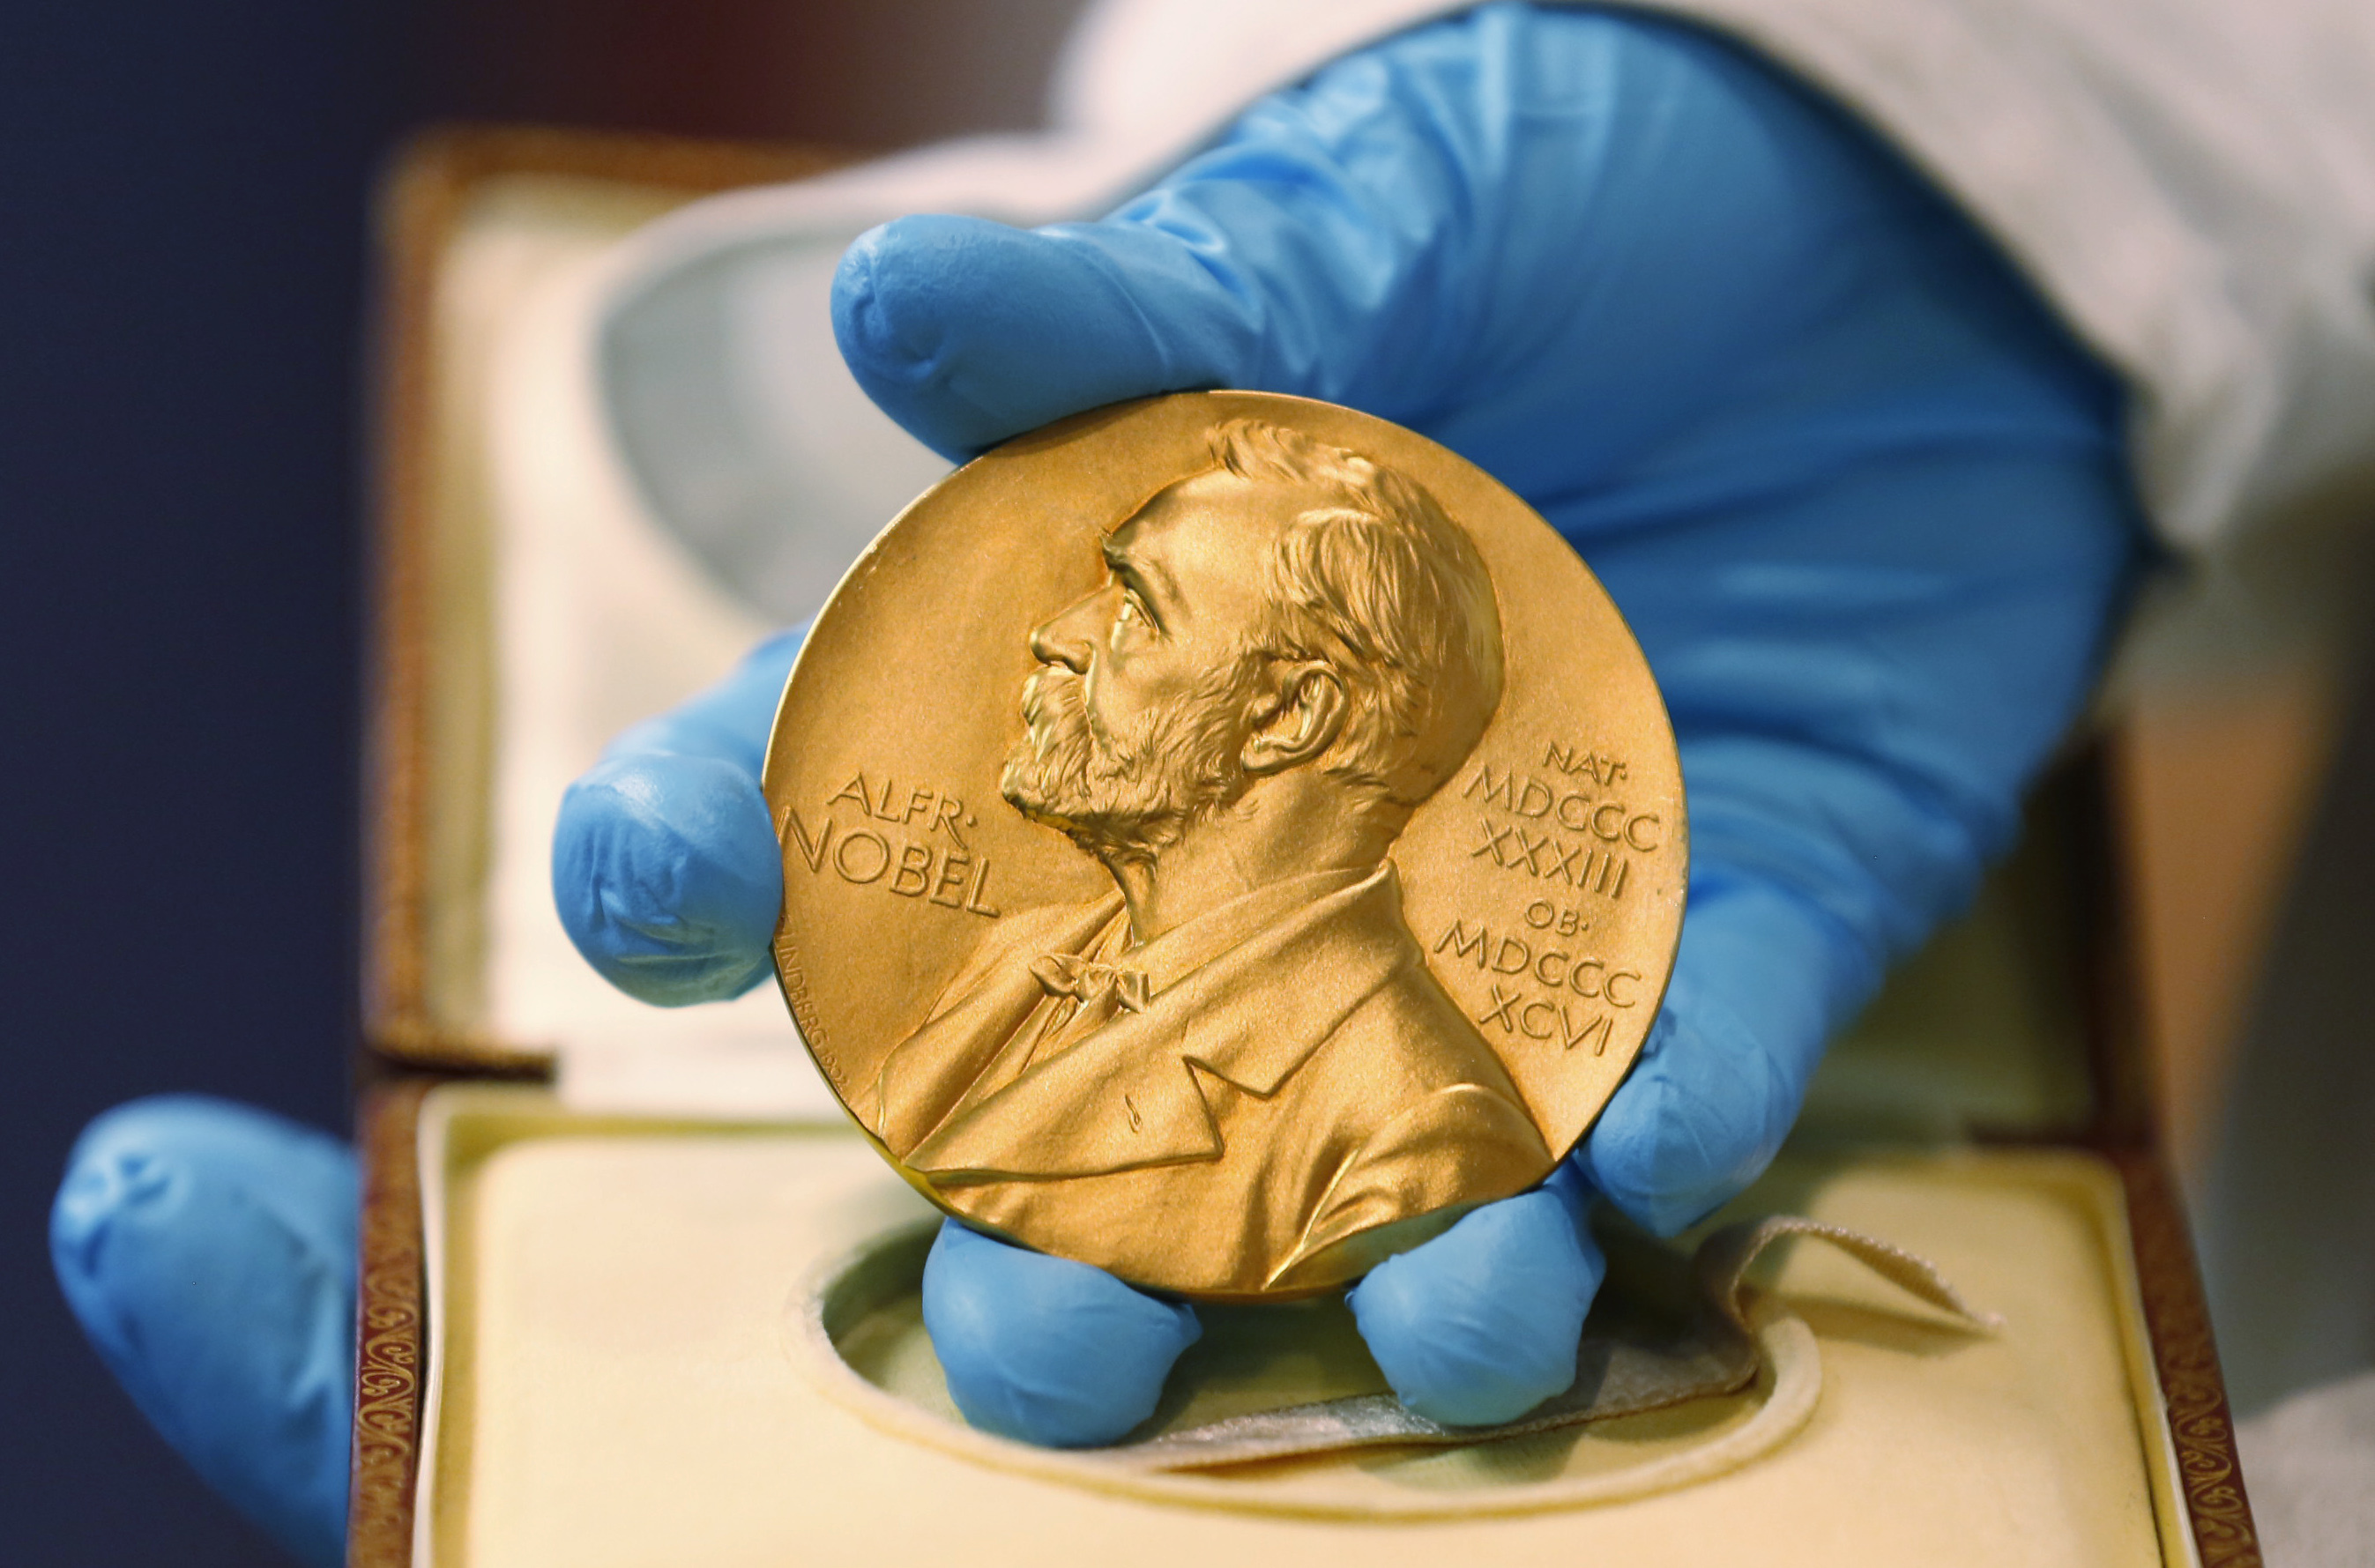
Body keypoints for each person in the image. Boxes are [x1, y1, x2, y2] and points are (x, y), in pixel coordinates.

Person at [48, 2, 2375, 1563]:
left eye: (1130, 604)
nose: (1039, 622)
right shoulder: (1009, 1027)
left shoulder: (1394, 1110)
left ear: (1282, 717)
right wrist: (1996, 105)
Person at [868, 417, 1547, 1296]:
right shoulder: (1017, 961)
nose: (1057, 635)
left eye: (1135, 607)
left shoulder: (1420, 1133)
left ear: (1286, 717)